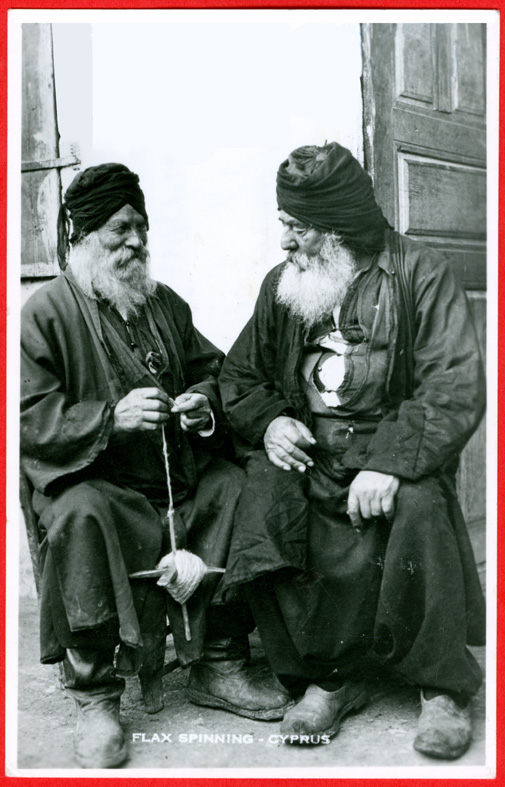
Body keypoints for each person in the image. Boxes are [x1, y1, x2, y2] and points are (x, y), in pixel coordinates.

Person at [219, 142, 486, 760]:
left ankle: (440, 688)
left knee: (418, 505)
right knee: (262, 497)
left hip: (392, 453)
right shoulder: (282, 285)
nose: (284, 242)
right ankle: (331, 677)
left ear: (335, 230)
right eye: (282, 224)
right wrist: (270, 424)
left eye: (296, 228)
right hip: (313, 454)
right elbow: (241, 376)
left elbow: (453, 384)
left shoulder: (420, 272)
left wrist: (389, 461)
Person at [20, 163, 291, 769]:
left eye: (141, 229)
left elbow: (214, 371)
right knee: (79, 514)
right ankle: (96, 695)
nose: (136, 243)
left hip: (175, 478)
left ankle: (219, 662)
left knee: (238, 486)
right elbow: (30, 419)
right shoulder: (44, 314)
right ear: (83, 236)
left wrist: (203, 406)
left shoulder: (163, 302)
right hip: (98, 483)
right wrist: (109, 419)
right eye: (120, 229)